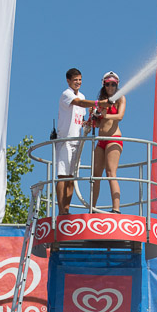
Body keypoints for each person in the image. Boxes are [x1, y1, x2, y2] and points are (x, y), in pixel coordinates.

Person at [56, 68, 109, 215]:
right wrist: (99, 103)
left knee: (72, 177)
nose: (78, 82)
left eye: (79, 80)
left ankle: (66, 210)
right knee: (63, 176)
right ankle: (61, 211)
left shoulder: (82, 95)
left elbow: (81, 119)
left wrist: (90, 121)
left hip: (77, 141)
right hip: (65, 140)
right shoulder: (66, 94)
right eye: (75, 80)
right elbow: (79, 103)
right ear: (68, 81)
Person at [92, 71, 126, 214]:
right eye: (108, 84)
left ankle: (116, 209)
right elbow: (99, 124)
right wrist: (93, 118)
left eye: (113, 84)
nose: (110, 87)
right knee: (95, 175)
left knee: (111, 173)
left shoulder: (120, 98)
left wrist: (104, 115)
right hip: (101, 140)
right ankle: (92, 208)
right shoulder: (101, 101)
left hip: (114, 139)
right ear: (103, 85)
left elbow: (120, 116)